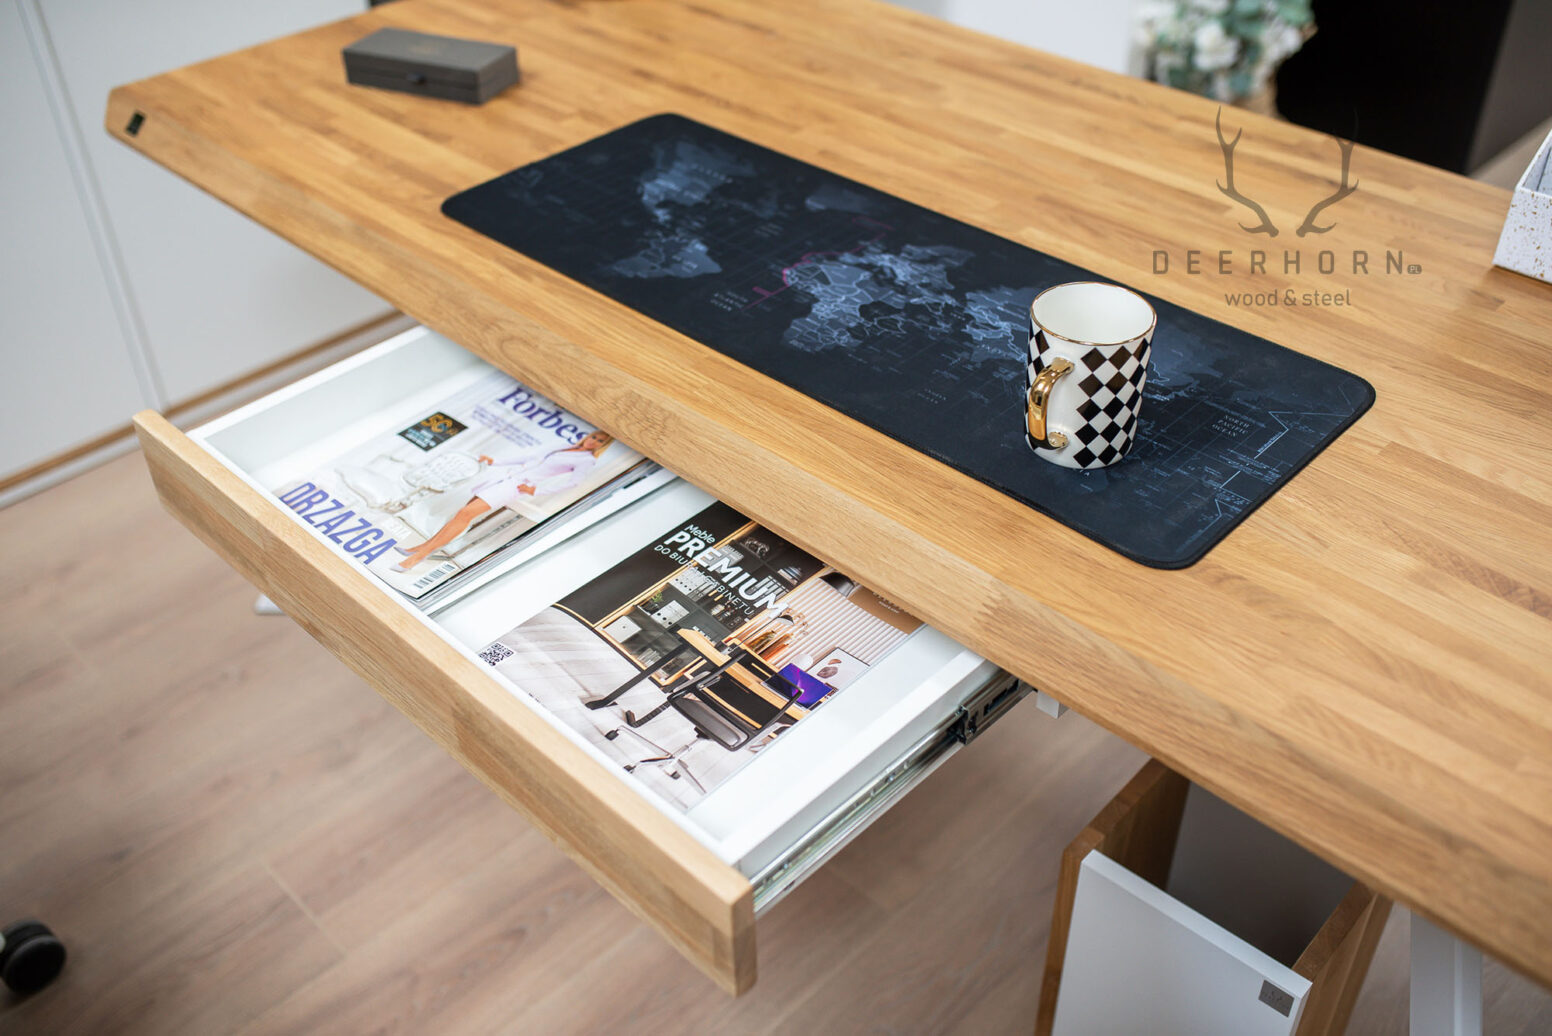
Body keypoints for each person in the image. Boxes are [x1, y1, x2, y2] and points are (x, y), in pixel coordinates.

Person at [393, 430, 614, 572]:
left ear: (602, 446)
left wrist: (534, 490)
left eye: (600, 442)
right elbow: (526, 458)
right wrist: (495, 461)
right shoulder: (561, 445)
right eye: (594, 437)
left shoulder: (586, 461)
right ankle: (420, 547)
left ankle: (418, 557)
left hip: (514, 487)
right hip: (501, 477)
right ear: (588, 436)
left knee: (465, 515)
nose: (594, 442)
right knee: (462, 512)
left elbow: (573, 483)